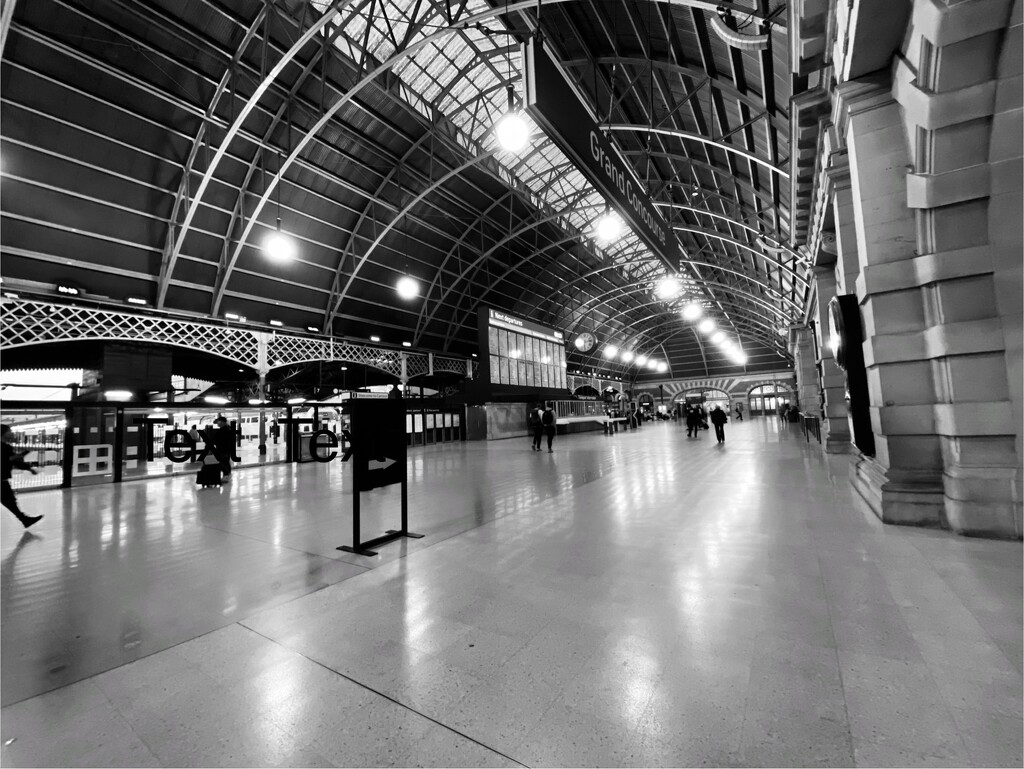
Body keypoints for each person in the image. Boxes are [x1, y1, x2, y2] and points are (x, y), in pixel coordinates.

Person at [1, 425, 42, 528]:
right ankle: (24, 519)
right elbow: (11, 460)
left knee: (9, 501)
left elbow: (12, 460)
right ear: (4, 433)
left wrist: (29, 468)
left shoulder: (6, 447)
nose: (11, 433)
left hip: (2, 480)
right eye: (9, 431)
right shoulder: (4, 447)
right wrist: (24, 455)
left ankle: (24, 519)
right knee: (9, 500)